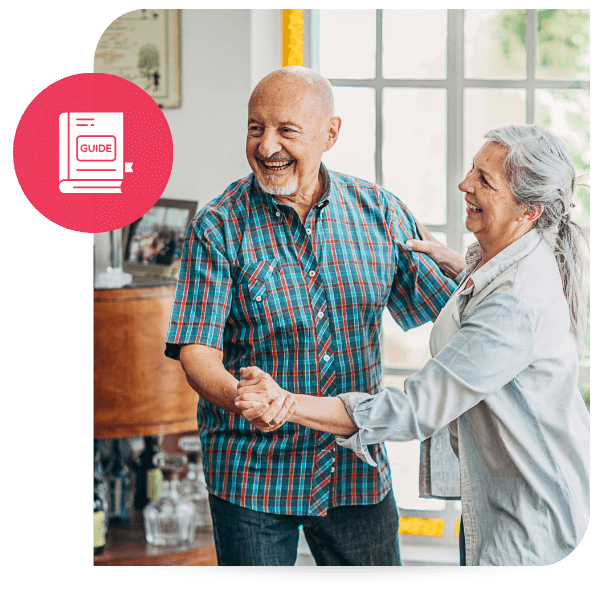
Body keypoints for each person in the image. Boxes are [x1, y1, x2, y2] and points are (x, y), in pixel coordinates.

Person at [236, 124, 590, 567]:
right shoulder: (509, 262)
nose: (465, 184)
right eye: (472, 170)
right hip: (501, 495)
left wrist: (286, 403)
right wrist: (464, 272)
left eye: (485, 180)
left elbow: (415, 411)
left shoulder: (514, 302)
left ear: (530, 210)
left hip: (532, 514)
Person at [164, 66, 464, 566]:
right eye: (255, 128)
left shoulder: (380, 213)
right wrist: (246, 402)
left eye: (286, 130)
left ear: (330, 133)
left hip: (354, 469)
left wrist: (494, 277)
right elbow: (197, 355)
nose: (266, 147)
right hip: (250, 471)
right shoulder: (217, 226)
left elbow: (451, 317)